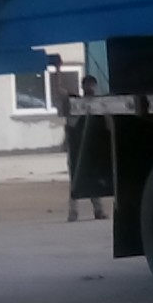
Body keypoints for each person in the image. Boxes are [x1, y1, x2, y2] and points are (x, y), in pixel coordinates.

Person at [62, 74, 107, 222]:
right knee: (76, 179)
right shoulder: (76, 104)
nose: (91, 88)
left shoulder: (99, 104)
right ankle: (73, 212)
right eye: (88, 85)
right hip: (77, 147)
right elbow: (70, 125)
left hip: (92, 147)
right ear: (83, 87)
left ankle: (98, 210)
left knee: (93, 178)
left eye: (92, 85)